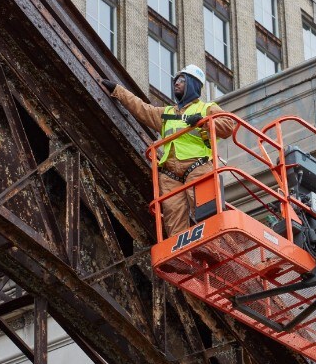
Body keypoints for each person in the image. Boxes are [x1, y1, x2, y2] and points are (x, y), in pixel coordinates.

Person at [101, 64, 235, 238]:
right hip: (170, 175)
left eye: (182, 80)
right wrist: (118, 91)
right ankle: (183, 260)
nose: (176, 84)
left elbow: (227, 125)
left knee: (208, 214)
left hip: (198, 168)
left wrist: (204, 121)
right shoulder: (167, 113)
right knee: (174, 222)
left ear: (193, 84)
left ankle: (217, 247)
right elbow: (142, 109)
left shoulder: (206, 108)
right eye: (175, 81)